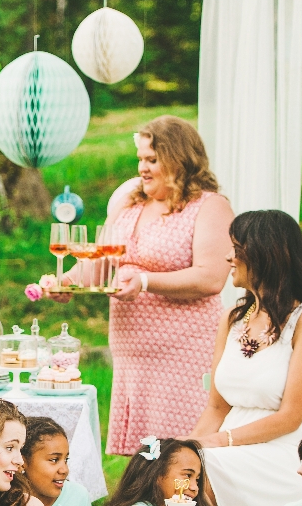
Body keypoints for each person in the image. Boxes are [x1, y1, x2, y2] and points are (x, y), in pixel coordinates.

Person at [54, 116, 233, 455]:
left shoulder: (209, 206)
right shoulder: (130, 203)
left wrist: (146, 281)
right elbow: (102, 259)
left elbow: (211, 277)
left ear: (178, 158)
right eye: (140, 159)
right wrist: (66, 282)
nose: (142, 168)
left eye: (152, 160)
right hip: (133, 357)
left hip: (183, 354)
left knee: (177, 454)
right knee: (143, 459)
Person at [190, 210, 302, 506]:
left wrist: (219, 442)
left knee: (201, 472)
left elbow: (291, 416)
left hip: (288, 446)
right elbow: (216, 406)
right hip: (231, 442)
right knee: (174, 467)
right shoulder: (232, 319)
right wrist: (187, 447)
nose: (228, 258)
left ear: (265, 255)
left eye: (237, 249)